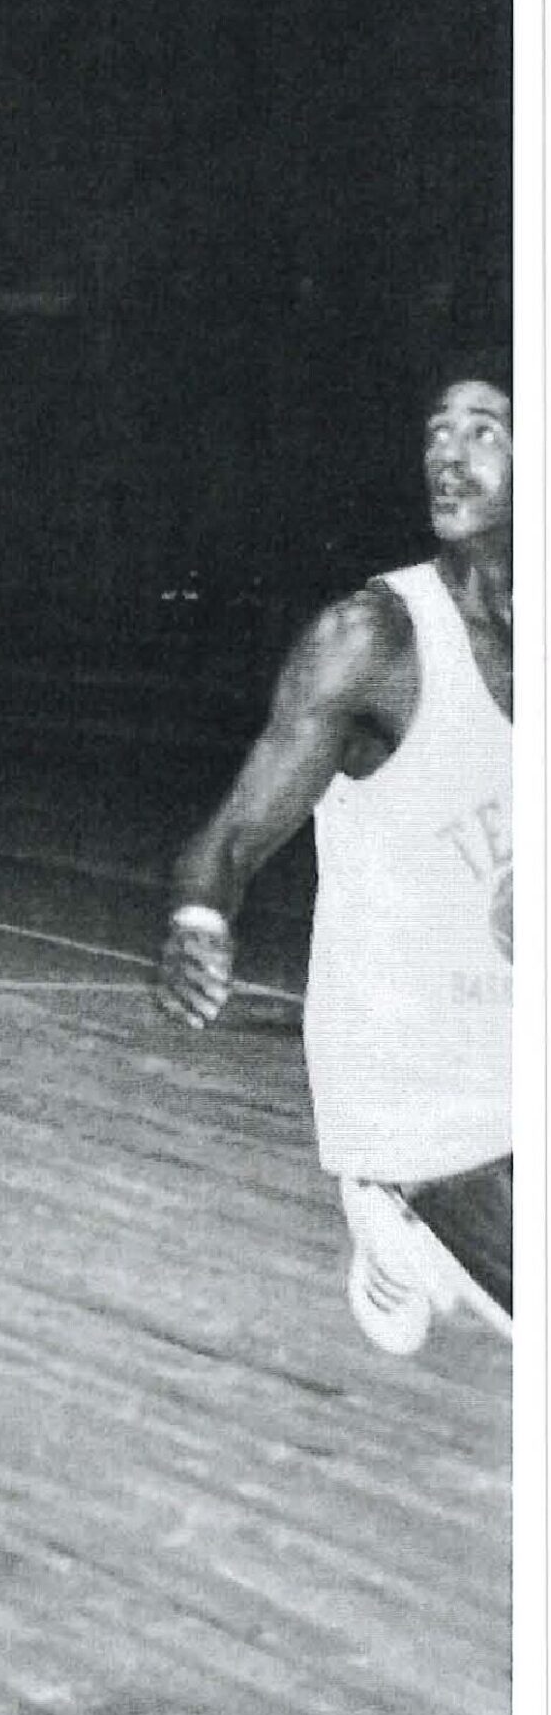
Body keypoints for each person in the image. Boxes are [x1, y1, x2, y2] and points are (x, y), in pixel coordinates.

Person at [156, 354, 513, 1357]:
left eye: (481, 431)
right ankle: (388, 1204)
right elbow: (226, 837)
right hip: (418, 1097)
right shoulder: (374, 641)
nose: (446, 456)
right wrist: (197, 919)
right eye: (435, 435)